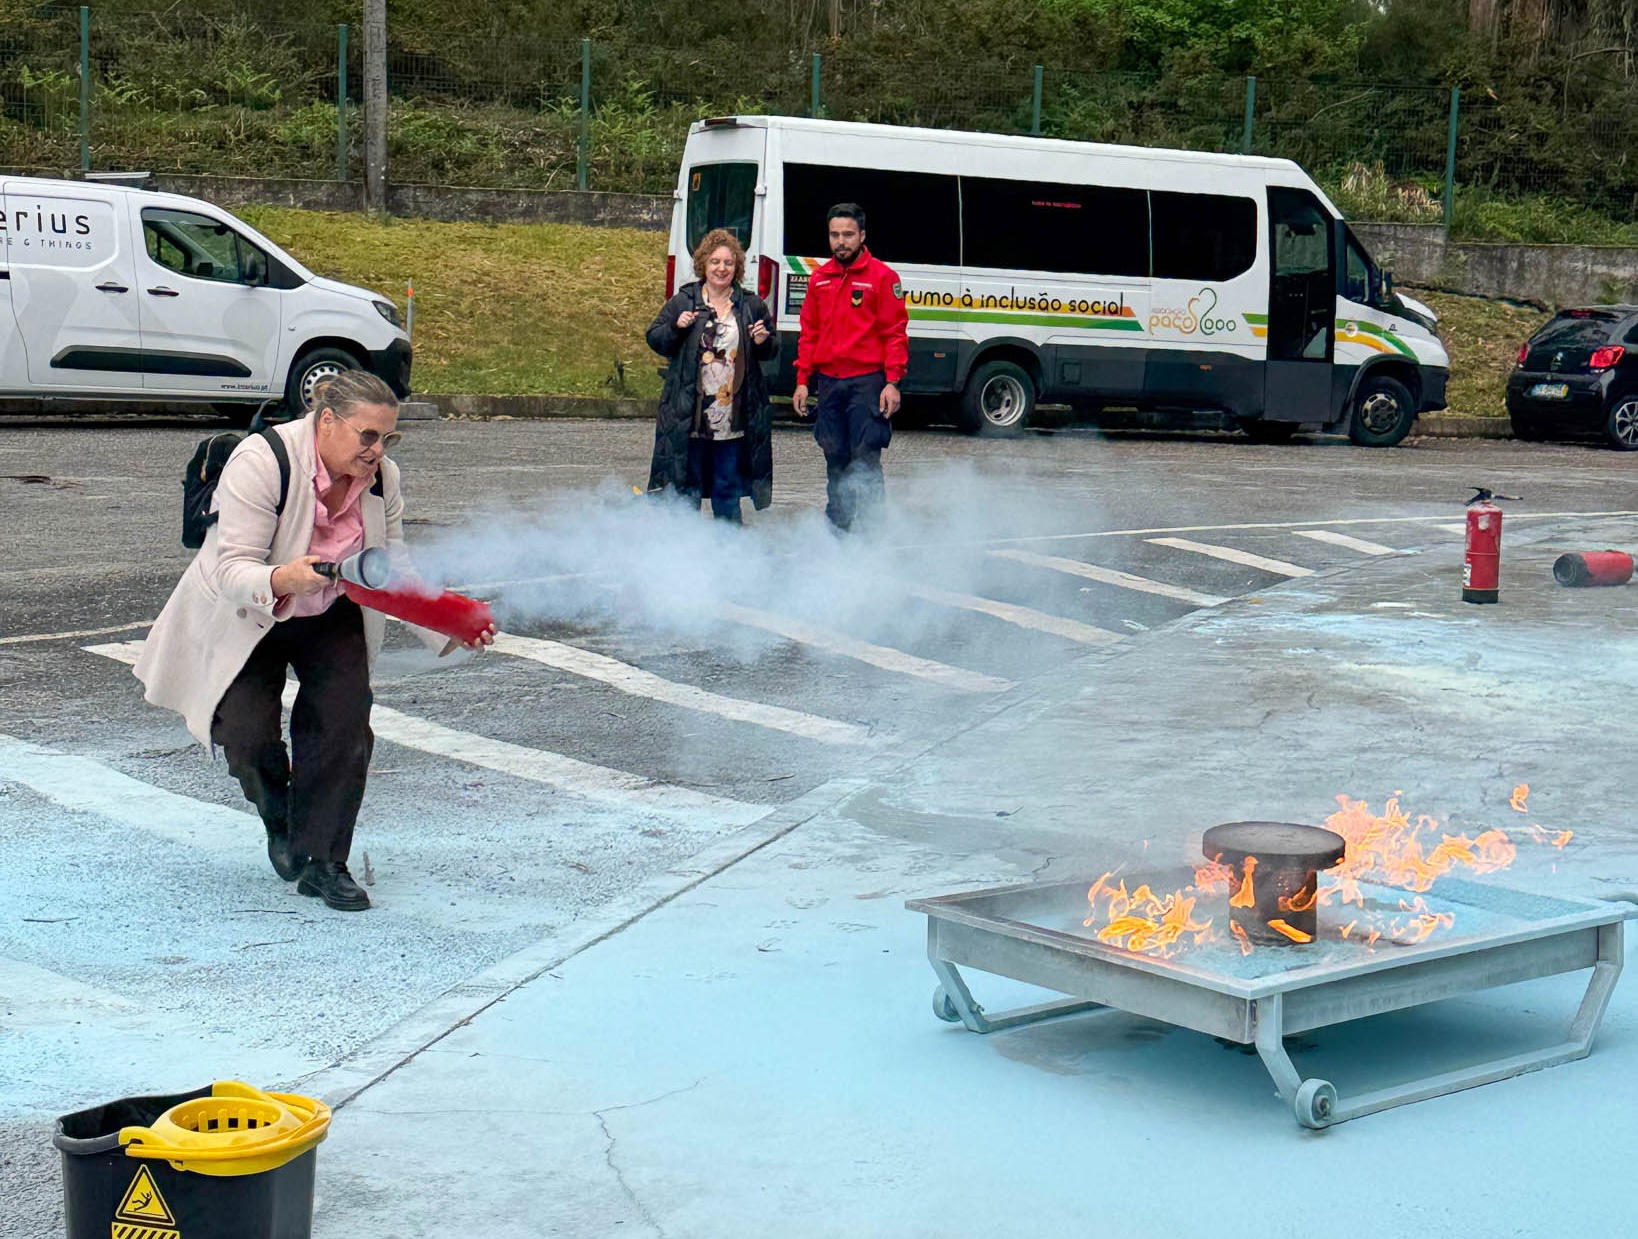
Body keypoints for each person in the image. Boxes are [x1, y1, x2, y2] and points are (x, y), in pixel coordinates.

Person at [133, 372, 496, 910]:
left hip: (330, 609)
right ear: (327, 421)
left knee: (344, 726)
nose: (378, 451)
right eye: (368, 436)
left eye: (388, 438)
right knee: (248, 736)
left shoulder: (381, 478)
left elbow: (390, 566)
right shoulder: (263, 460)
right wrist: (283, 579)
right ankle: (280, 817)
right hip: (251, 609)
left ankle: (325, 862)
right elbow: (230, 567)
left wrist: (449, 619)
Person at [646, 228, 778, 522]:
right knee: (685, 490)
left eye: (728, 263)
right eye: (715, 262)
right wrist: (675, 328)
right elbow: (655, 338)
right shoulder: (684, 301)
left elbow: (772, 348)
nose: (722, 268)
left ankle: (730, 553)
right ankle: (686, 553)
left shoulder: (750, 304)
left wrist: (762, 341)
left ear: (737, 267)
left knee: (727, 491)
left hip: (732, 419)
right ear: (703, 265)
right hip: (689, 418)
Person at [792, 203, 910, 532]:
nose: (841, 241)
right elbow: (809, 333)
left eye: (847, 234)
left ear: (862, 235)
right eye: (834, 235)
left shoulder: (883, 278)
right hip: (829, 383)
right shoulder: (819, 279)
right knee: (835, 458)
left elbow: (895, 334)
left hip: (868, 384)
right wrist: (803, 380)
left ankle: (873, 533)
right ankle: (838, 530)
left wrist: (892, 382)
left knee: (866, 459)